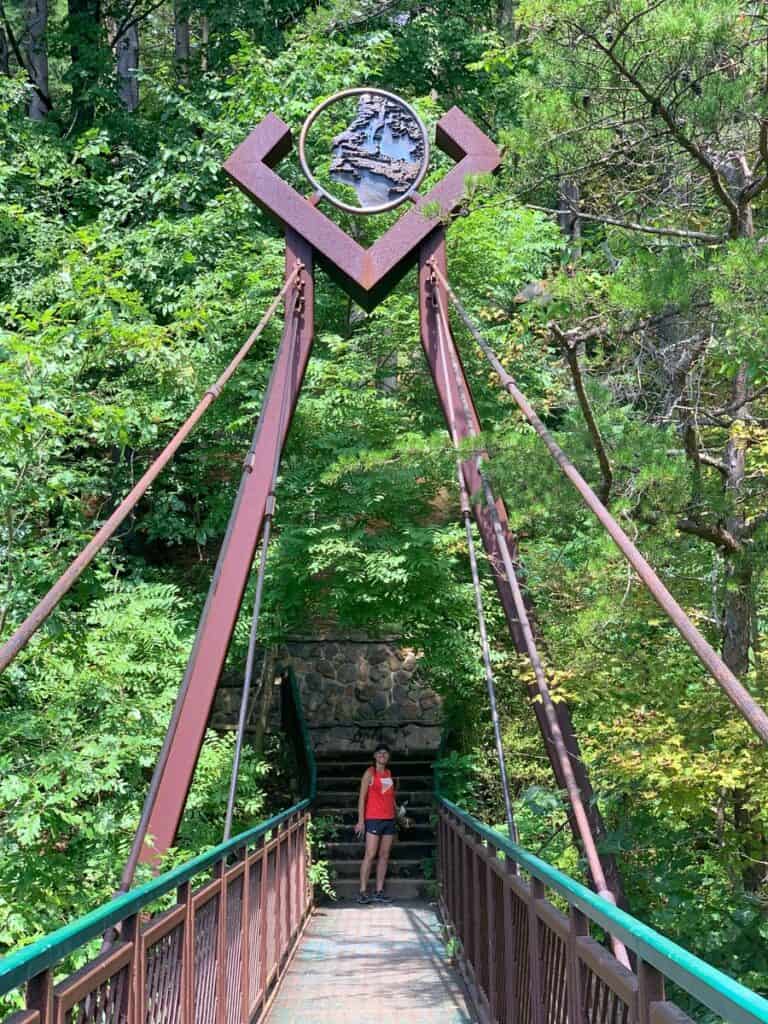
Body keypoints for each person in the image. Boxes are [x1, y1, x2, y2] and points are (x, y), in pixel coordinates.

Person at [354, 743, 396, 904]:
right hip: (373, 818)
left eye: (385, 753)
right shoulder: (370, 773)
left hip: (389, 819)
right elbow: (362, 798)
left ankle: (379, 891)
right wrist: (360, 821)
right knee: (370, 854)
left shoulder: (389, 773)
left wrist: (399, 814)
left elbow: (391, 797)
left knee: (384, 855)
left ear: (388, 757)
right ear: (374, 756)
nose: (382, 755)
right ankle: (363, 892)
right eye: (379, 753)